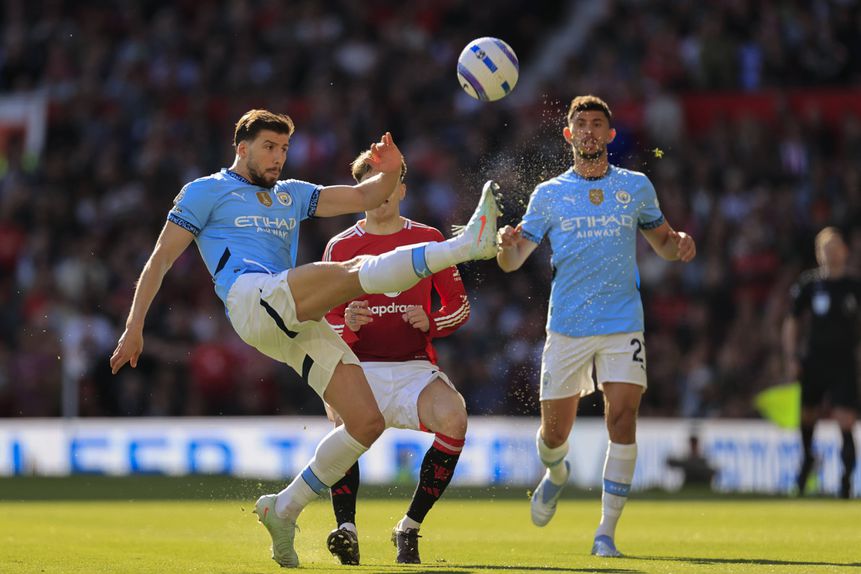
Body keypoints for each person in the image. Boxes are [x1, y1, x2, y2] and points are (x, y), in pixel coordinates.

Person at [108, 109, 502, 568]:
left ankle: (284, 508)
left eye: (284, 149)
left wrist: (391, 168)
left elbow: (364, 194)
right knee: (353, 274)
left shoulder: (292, 194)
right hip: (252, 297)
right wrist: (134, 326)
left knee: (364, 423)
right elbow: (159, 260)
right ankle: (466, 245)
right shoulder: (205, 192)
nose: (278, 158)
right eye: (269, 148)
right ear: (242, 148)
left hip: (289, 318)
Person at [496, 95, 696, 557]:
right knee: (553, 436)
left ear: (610, 135)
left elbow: (663, 243)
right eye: (580, 124)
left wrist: (680, 243)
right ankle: (557, 471)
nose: (588, 131)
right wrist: (505, 245)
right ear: (568, 135)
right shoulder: (548, 194)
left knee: (623, 417)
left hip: (623, 321)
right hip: (567, 326)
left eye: (597, 124)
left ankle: (605, 533)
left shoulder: (637, 186)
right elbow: (513, 261)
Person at [321, 150, 470, 565]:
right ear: (361, 191)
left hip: (413, 369)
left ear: (401, 188)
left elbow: (459, 307)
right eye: (372, 182)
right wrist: (347, 322)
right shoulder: (341, 246)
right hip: (357, 367)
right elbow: (318, 321)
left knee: (455, 420)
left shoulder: (429, 239)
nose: (382, 191)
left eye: (388, 181)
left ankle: (409, 527)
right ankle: (346, 530)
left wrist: (432, 322)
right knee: (342, 427)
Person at [782, 227, 859, 499]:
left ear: (845, 251)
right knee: (807, 419)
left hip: (844, 363)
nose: (831, 252)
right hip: (813, 361)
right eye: (825, 248)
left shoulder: (854, 287)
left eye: (835, 246)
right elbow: (791, 321)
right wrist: (792, 357)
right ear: (818, 254)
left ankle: (846, 481)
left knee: (844, 420)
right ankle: (805, 467)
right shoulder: (809, 285)